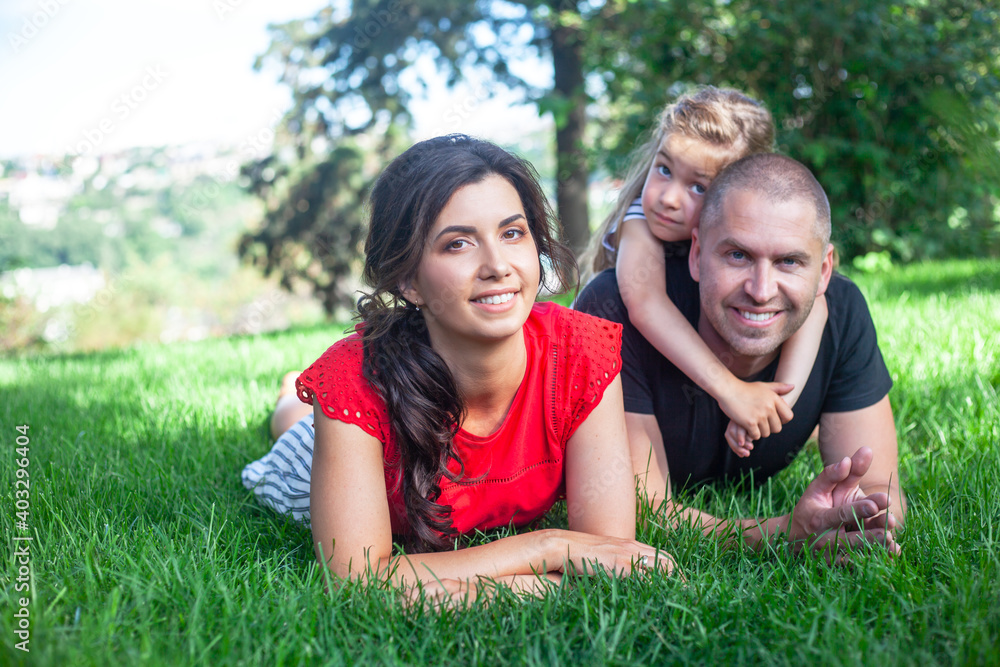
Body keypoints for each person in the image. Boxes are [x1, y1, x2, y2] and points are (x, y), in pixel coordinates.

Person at [243, 134, 671, 602]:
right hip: (343, 437)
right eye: (458, 244)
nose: (497, 266)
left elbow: (608, 551)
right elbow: (357, 580)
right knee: (294, 431)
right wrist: (552, 546)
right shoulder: (352, 382)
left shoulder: (581, 351)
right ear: (408, 280)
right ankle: (290, 400)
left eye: (512, 233)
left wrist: (455, 589)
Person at [576, 152, 906, 553]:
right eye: (738, 256)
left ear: (823, 272)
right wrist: (785, 533)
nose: (761, 290)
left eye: (789, 261)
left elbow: (877, 487)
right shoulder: (612, 310)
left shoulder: (842, 310)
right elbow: (643, 513)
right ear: (696, 254)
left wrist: (857, 518)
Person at [582, 86, 827, 458]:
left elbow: (818, 305)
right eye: (664, 170)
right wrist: (733, 391)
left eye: (698, 186)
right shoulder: (641, 223)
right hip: (629, 378)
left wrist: (774, 404)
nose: (668, 198)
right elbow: (645, 305)